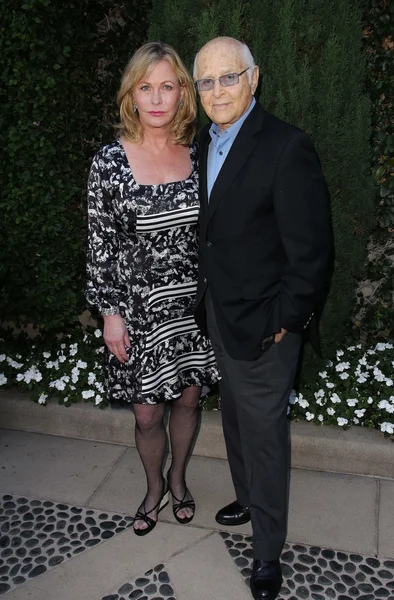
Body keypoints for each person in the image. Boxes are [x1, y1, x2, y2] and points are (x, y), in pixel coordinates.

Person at [193, 37, 333, 600]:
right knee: (233, 419)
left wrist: (285, 322)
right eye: (206, 81)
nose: (217, 90)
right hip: (220, 316)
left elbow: (312, 254)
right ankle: (248, 498)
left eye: (229, 77)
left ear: (255, 78)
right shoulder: (204, 140)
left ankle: (268, 552)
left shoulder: (286, 147)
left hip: (267, 326)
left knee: (266, 434)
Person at [86, 41, 219, 537]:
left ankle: (179, 481)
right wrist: (110, 314)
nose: (157, 98)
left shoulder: (201, 151)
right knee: (146, 416)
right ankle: (152, 487)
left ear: (182, 92)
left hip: (193, 305)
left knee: (187, 402)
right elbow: (101, 244)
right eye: (146, 87)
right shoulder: (110, 163)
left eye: (168, 86)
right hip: (139, 310)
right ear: (132, 94)